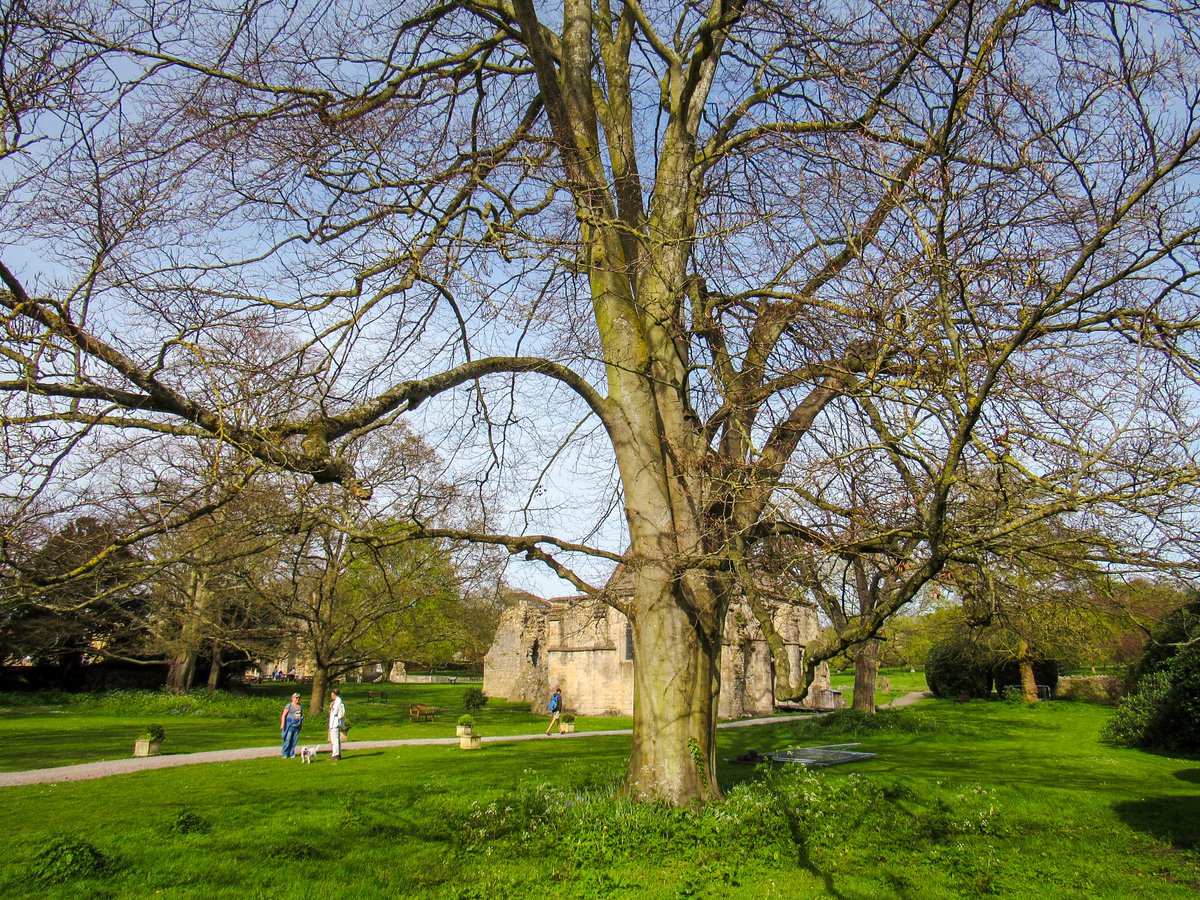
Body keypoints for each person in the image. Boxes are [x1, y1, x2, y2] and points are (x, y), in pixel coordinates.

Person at [279, 692, 303, 759]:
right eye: (296, 697)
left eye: (299, 698)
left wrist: (301, 725)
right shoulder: (289, 706)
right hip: (289, 726)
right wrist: (282, 724)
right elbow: (283, 715)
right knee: (287, 740)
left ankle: (291, 753)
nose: (298, 699)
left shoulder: (300, 707)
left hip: (297, 726)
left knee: (294, 741)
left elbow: (300, 716)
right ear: (292, 698)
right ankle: (285, 754)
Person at [328, 688, 347, 759]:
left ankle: (335, 755)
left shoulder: (337, 701)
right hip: (336, 723)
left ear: (333, 694)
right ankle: (338, 754)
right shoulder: (338, 700)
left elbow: (335, 712)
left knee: (334, 739)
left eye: (331, 694)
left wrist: (331, 707)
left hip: (335, 723)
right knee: (337, 739)